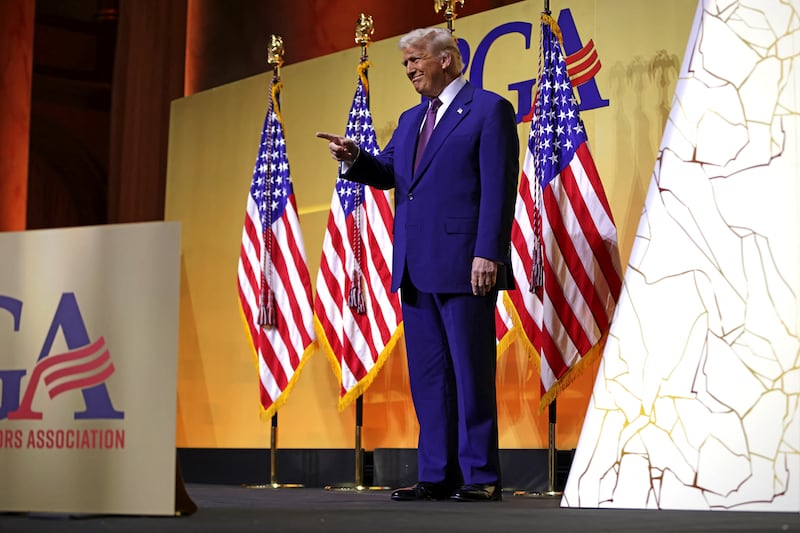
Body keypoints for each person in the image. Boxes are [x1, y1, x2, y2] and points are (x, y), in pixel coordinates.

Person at [317, 27, 519, 502]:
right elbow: (390, 174)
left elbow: (498, 187)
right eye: (405, 63)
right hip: (414, 266)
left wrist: (487, 251)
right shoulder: (411, 120)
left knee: (470, 374)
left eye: (416, 59)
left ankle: (480, 476)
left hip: (466, 263)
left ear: (447, 60)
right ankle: (436, 474)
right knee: (429, 378)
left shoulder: (489, 110)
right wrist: (354, 158)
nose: (409, 69)